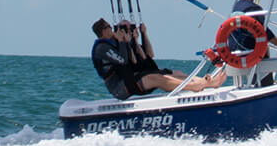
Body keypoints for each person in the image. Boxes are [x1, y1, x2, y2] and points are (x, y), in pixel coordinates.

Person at [91, 18, 221, 98]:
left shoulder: (119, 43)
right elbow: (124, 60)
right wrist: (123, 42)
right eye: (109, 27)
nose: (112, 29)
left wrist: (142, 35)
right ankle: (195, 86)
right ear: (103, 31)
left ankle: (207, 82)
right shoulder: (102, 48)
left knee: (175, 73)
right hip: (120, 88)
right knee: (157, 78)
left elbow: (149, 55)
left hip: (130, 80)